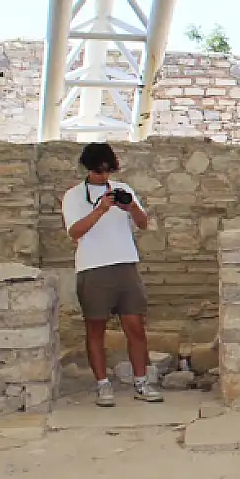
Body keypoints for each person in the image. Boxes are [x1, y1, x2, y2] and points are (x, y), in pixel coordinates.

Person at [61, 142, 163, 407]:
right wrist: (100, 209)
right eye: (98, 172)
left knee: (136, 327)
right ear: (88, 169)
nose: (104, 176)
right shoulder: (73, 196)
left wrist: (130, 208)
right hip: (93, 267)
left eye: (107, 171)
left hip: (126, 265)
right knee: (96, 329)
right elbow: (74, 232)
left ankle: (141, 382)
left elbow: (143, 224)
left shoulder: (123, 190)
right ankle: (102, 385)